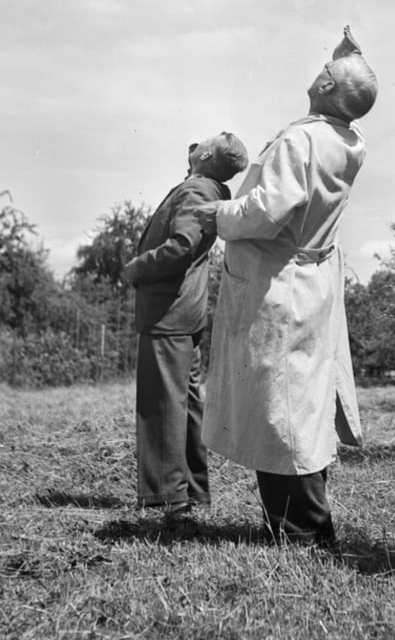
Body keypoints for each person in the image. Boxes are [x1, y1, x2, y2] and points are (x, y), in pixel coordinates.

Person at [195, 26, 377, 546]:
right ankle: (298, 524)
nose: (318, 71)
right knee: (303, 404)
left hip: (279, 285)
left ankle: (302, 531)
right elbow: (348, 94)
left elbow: (266, 211)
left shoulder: (301, 138)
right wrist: (348, 66)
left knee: (282, 412)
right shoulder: (348, 139)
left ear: (324, 87)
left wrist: (219, 214)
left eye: (326, 71)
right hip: (310, 279)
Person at [124, 132, 249, 515]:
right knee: (188, 404)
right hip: (184, 313)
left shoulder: (196, 192)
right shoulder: (208, 190)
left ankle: (169, 498)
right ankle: (193, 492)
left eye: (203, 141)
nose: (194, 141)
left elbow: (181, 246)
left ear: (207, 153)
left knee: (162, 406)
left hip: (168, 314)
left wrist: (136, 268)